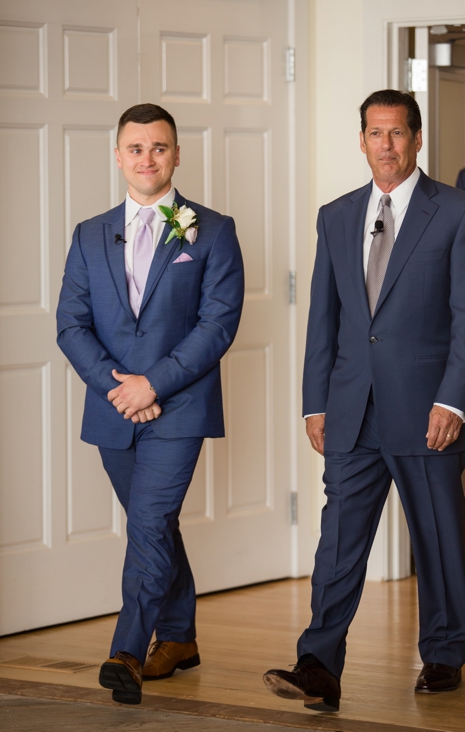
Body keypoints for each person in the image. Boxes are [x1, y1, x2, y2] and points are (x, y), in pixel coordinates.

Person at [263, 89, 465, 713]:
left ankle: (445, 652)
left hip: (427, 409)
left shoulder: (455, 211)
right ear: (361, 140)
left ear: (417, 138)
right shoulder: (337, 215)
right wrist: (314, 403)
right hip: (351, 410)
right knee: (338, 541)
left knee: (437, 539)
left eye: (398, 134)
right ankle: (319, 664)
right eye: (375, 134)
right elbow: (324, 315)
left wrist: (454, 402)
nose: (386, 145)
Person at [56, 103, 244, 705]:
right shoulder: (89, 233)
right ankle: (181, 636)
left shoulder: (212, 230)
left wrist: (153, 385)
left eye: (159, 147)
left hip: (179, 408)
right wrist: (120, 387)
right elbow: (70, 324)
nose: (147, 158)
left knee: (148, 522)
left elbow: (217, 325)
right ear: (118, 156)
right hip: (114, 407)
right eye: (135, 148)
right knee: (154, 524)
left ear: (177, 154)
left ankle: (128, 652)